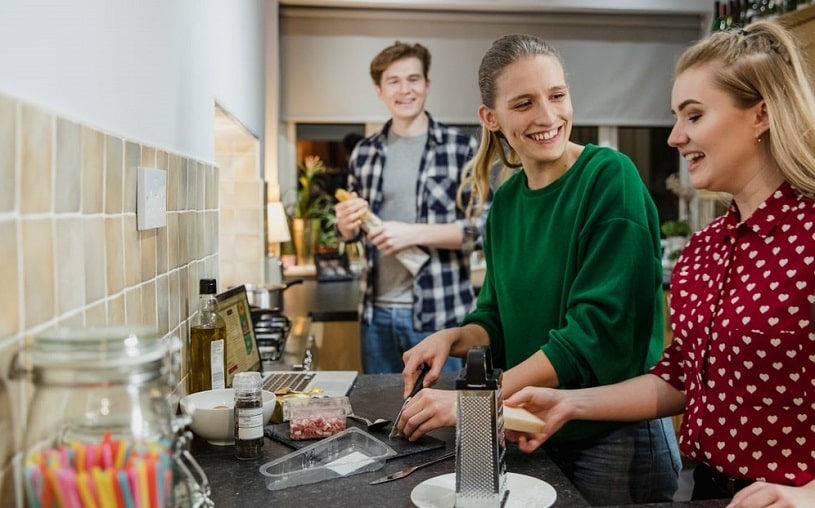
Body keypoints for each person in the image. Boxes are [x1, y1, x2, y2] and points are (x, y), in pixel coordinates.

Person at [502, 20, 815, 507]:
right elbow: (679, 379)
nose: (673, 137)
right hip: (711, 491)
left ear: (761, 115)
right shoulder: (705, 249)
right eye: (675, 116)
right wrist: (568, 403)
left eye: (693, 116)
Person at [395, 34, 681, 505]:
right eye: (524, 103)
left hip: (614, 443)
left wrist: (476, 406)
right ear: (491, 119)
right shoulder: (506, 201)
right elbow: (495, 317)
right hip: (531, 430)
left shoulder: (610, 178)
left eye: (557, 96)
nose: (548, 117)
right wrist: (452, 337)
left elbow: (592, 337)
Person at [334, 41, 487, 374]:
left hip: (441, 315)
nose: (405, 90)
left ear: (427, 85)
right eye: (394, 81)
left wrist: (413, 233)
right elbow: (351, 233)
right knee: (383, 419)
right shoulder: (364, 152)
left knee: (445, 419)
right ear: (379, 90)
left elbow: (484, 228)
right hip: (376, 316)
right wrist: (345, 225)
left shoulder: (460, 147)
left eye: (414, 79)